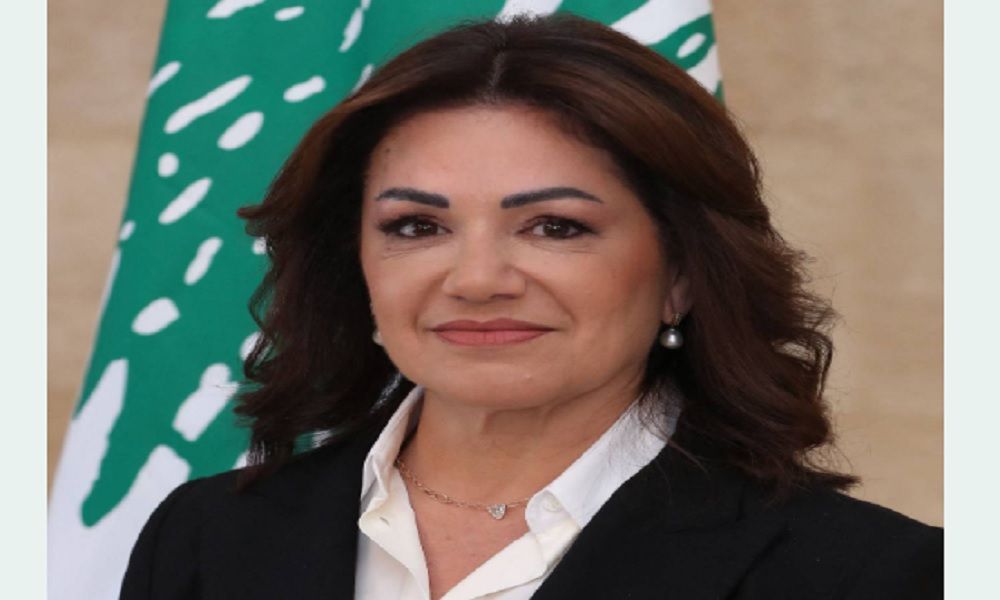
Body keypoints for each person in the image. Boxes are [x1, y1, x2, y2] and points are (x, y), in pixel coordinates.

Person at [120, 13, 942, 600]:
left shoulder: (874, 575)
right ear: (356, 267)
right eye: (417, 226)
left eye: (556, 226)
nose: (478, 279)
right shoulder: (205, 540)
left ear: (683, 273)